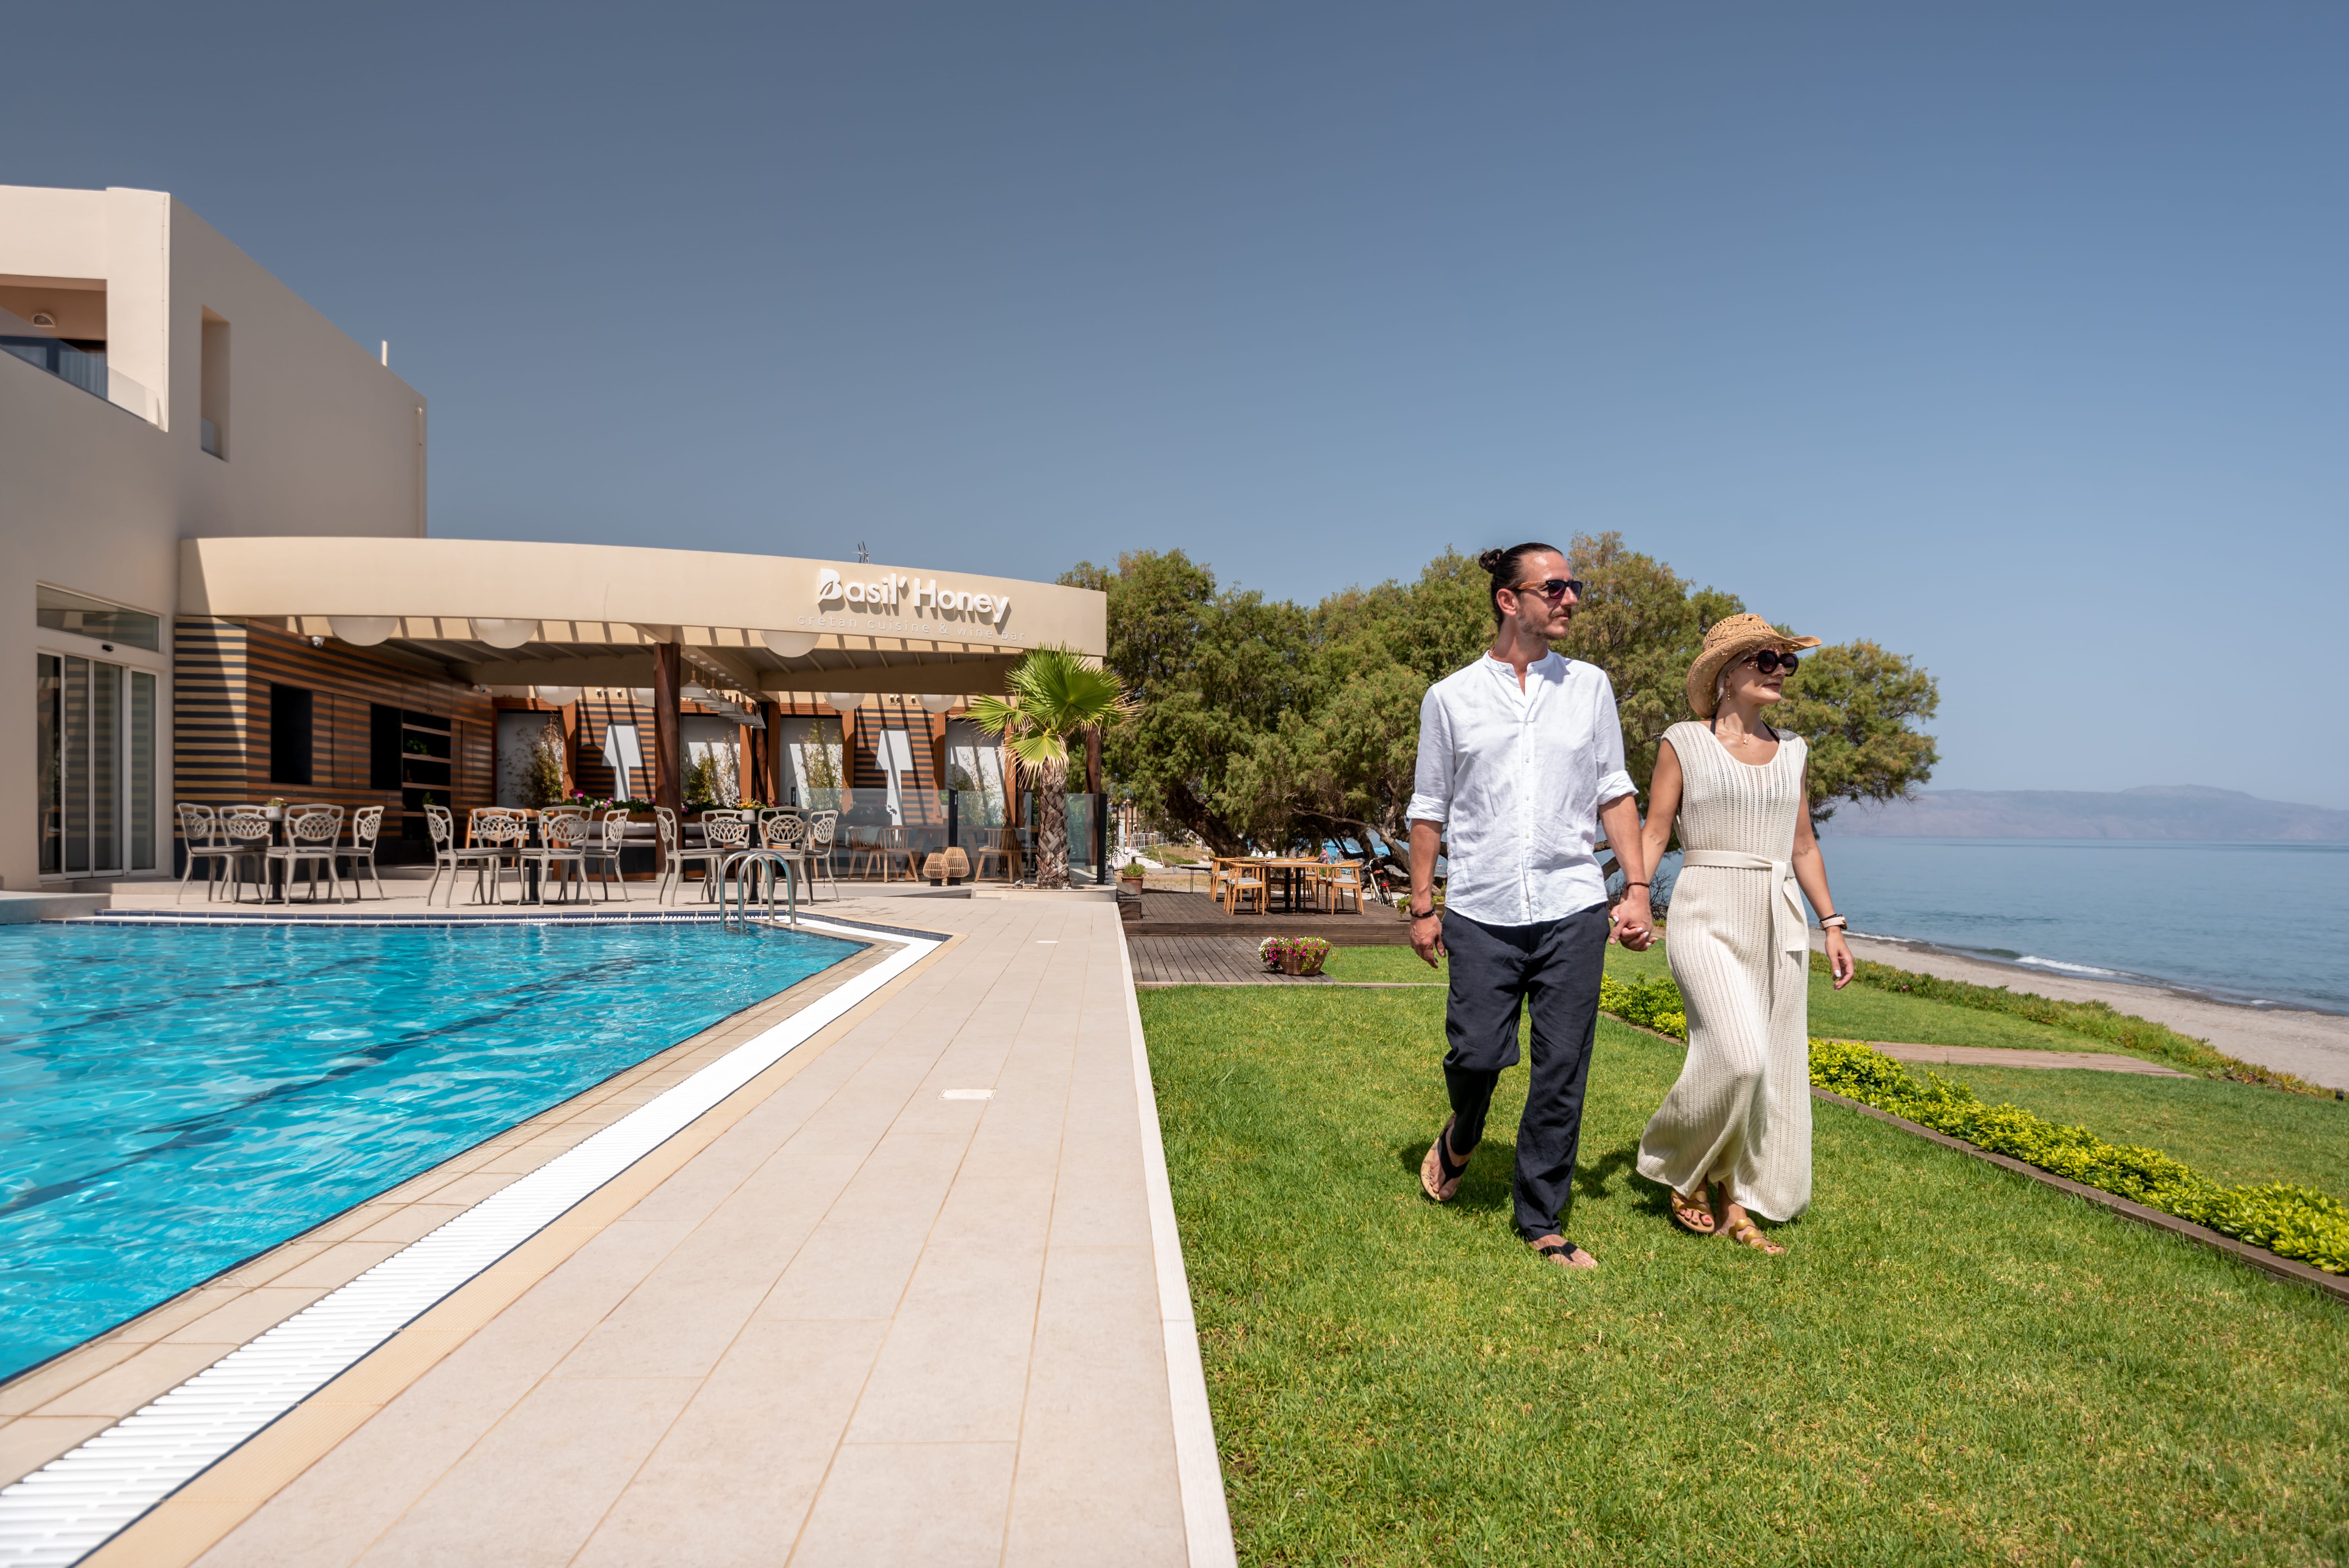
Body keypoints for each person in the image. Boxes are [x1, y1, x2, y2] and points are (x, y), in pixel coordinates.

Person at [1410, 542, 1652, 1273]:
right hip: (1480, 906)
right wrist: (1424, 906)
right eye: (1556, 587)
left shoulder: (1591, 687)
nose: (1572, 598)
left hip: (1572, 902)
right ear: (1509, 601)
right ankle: (1464, 1129)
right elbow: (1429, 809)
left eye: (1574, 586)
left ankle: (1541, 1217)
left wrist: (1636, 888)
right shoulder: (1450, 696)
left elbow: (1615, 791)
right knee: (1478, 1052)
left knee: (1562, 1064)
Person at [1634, 613, 1855, 1254]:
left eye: (1788, 662)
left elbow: (1804, 845)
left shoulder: (1794, 753)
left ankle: (1732, 1197)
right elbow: (1654, 833)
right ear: (1726, 673)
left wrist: (1832, 924)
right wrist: (1636, 899)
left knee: (1768, 1067)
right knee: (1738, 1056)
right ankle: (1678, 1162)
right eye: (1766, 660)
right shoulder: (1684, 742)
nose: (1780, 671)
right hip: (1705, 911)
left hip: (1777, 917)